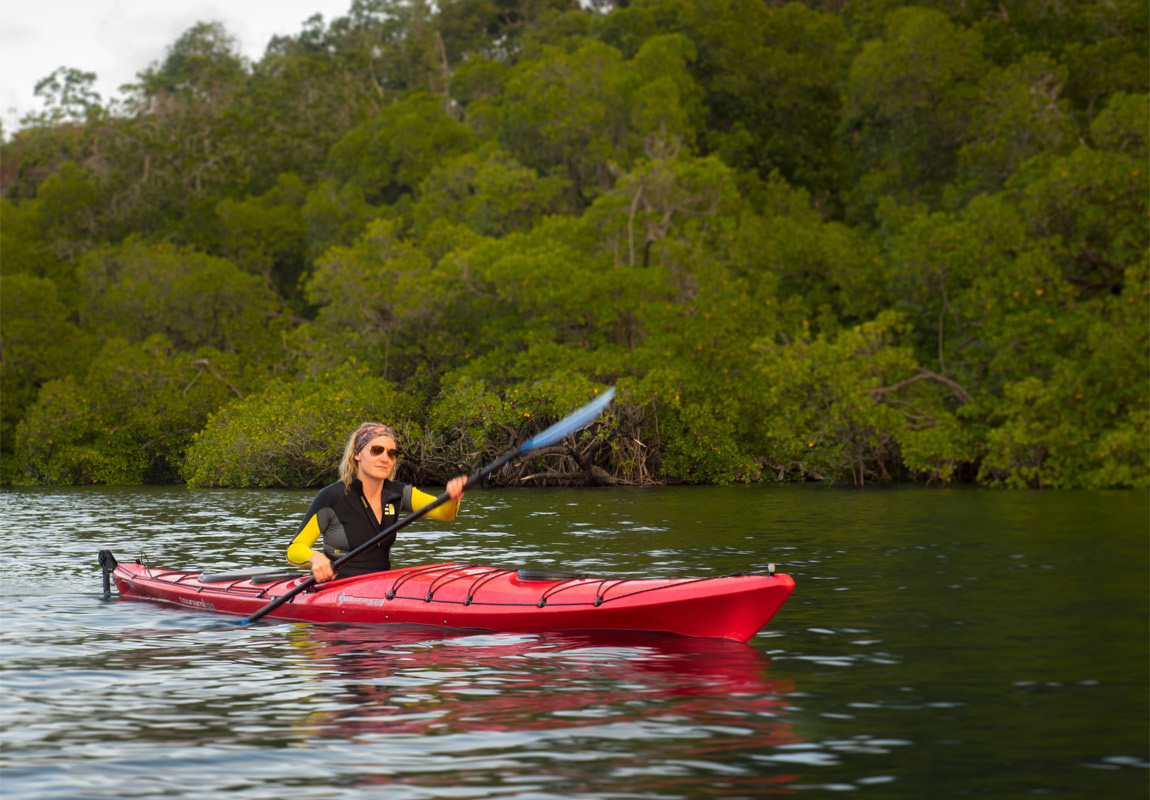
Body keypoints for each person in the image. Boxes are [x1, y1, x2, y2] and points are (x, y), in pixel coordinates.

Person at [287, 422, 467, 582]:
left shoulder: (400, 493)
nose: (384, 458)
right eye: (376, 450)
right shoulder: (331, 496)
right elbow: (294, 550)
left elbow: (445, 514)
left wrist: (452, 497)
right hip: (336, 588)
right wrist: (315, 558)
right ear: (357, 454)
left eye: (391, 453)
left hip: (381, 586)